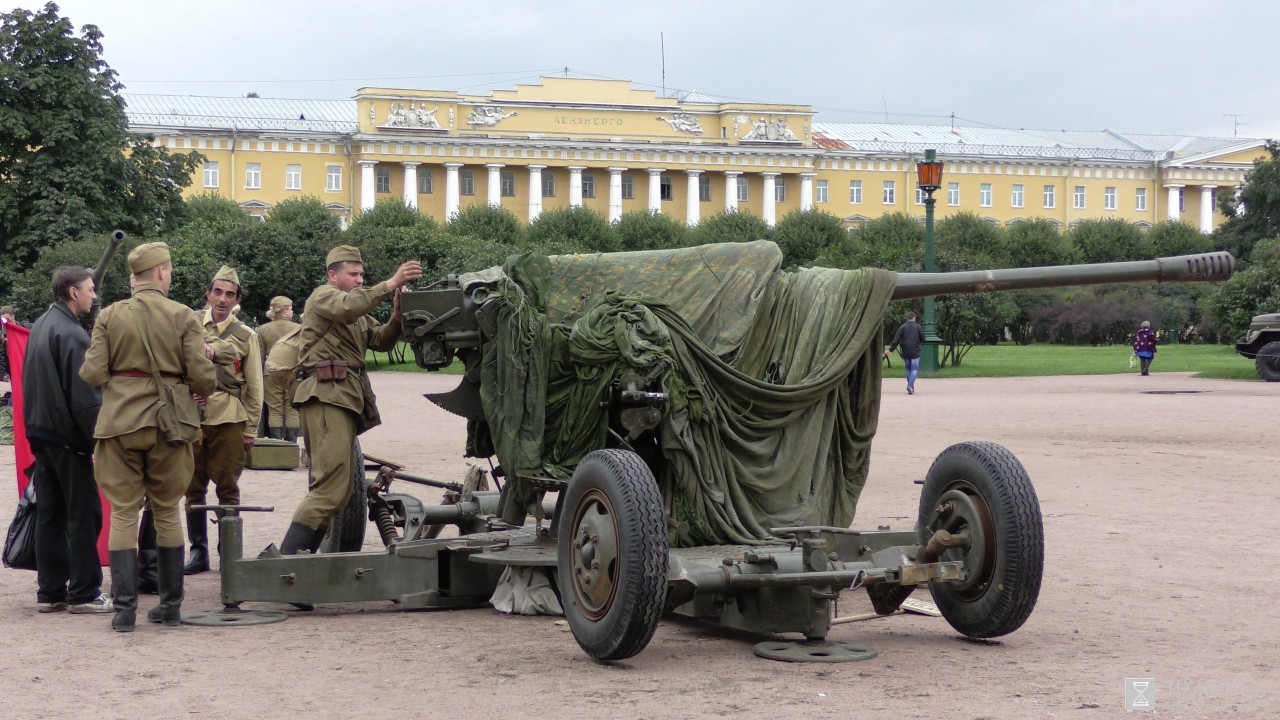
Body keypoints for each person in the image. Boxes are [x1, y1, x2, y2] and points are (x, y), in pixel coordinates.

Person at [79, 242, 216, 632]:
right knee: (167, 508)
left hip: (120, 423)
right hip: (169, 424)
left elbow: (91, 374)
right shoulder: (183, 315)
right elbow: (203, 377)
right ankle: (170, 607)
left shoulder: (109, 315)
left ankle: (124, 612)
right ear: (160, 272)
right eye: (169, 270)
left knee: (123, 511)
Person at [277, 247, 420, 567]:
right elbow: (348, 308)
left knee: (338, 491)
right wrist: (389, 283)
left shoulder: (355, 309)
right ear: (332, 275)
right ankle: (285, 566)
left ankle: (295, 566)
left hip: (342, 398)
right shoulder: (324, 297)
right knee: (329, 489)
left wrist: (397, 314)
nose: (359, 280)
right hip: (326, 395)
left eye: (361, 275)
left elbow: (381, 340)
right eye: (353, 274)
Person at [23, 267, 111, 614]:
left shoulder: (42, 323)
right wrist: (97, 441)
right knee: (84, 513)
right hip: (66, 436)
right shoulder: (74, 335)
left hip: (41, 431)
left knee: (51, 514)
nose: (94, 295)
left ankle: (51, 592)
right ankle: (86, 593)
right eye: (89, 290)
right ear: (73, 292)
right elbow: (85, 398)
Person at [182, 266, 262, 575]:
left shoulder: (245, 335)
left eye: (230, 294)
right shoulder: (188, 325)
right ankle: (198, 552)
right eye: (218, 292)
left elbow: (255, 385)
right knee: (192, 486)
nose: (222, 299)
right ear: (208, 294)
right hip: (193, 417)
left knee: (228, 486)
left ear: (237, 299)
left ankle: (228, 551)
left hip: (229, 418)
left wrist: (251, 427)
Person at [257, 296, 299, 441]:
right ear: (286, 311)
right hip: (293, 372)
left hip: (271, 373)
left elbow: (260, 356)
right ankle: (291, 445)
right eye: (291, 308)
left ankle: (276, 445)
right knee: (292, 410)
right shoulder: (298, 328)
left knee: (274, 410)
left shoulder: (263, 329)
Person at [885, 311, 925, 395]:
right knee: (914, 369)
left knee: (908, 369)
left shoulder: (902, 327)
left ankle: (911, 387)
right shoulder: (918, 327)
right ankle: (910, 385)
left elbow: (896, 340)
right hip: (915, 351)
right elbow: (923, 339)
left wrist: (890, 350)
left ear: (907, 318)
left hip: (905, 351)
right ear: (914, 318)